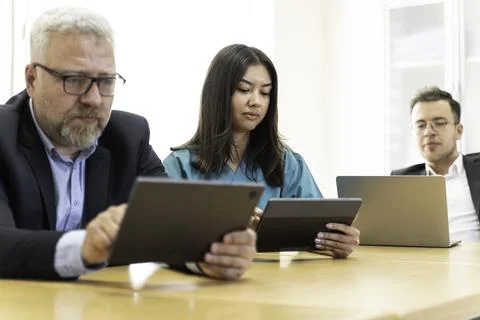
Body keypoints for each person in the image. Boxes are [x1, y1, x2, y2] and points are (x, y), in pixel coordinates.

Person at [0, 7, 256, 281]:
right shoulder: (4, 135)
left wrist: (209, 256)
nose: (94, 99)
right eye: (74, 80)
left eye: (106, 81)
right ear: (32, 80)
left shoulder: (129, 137)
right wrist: (84, 247)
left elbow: (173, 223)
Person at [163, 44, 360, 258]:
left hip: (273, 287)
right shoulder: (179, 166)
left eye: (265, 92)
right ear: (217, 94)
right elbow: (161, 238)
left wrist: (337, 241)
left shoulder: (287, 164)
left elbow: (317, 233)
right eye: (244, 90)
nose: (256, 102)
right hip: (205, 286)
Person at [391, 86, 480, 242]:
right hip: (422, 264)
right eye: (420, 125)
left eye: (439, 123)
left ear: (458, 130)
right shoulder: (399, 181)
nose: (428, 132)